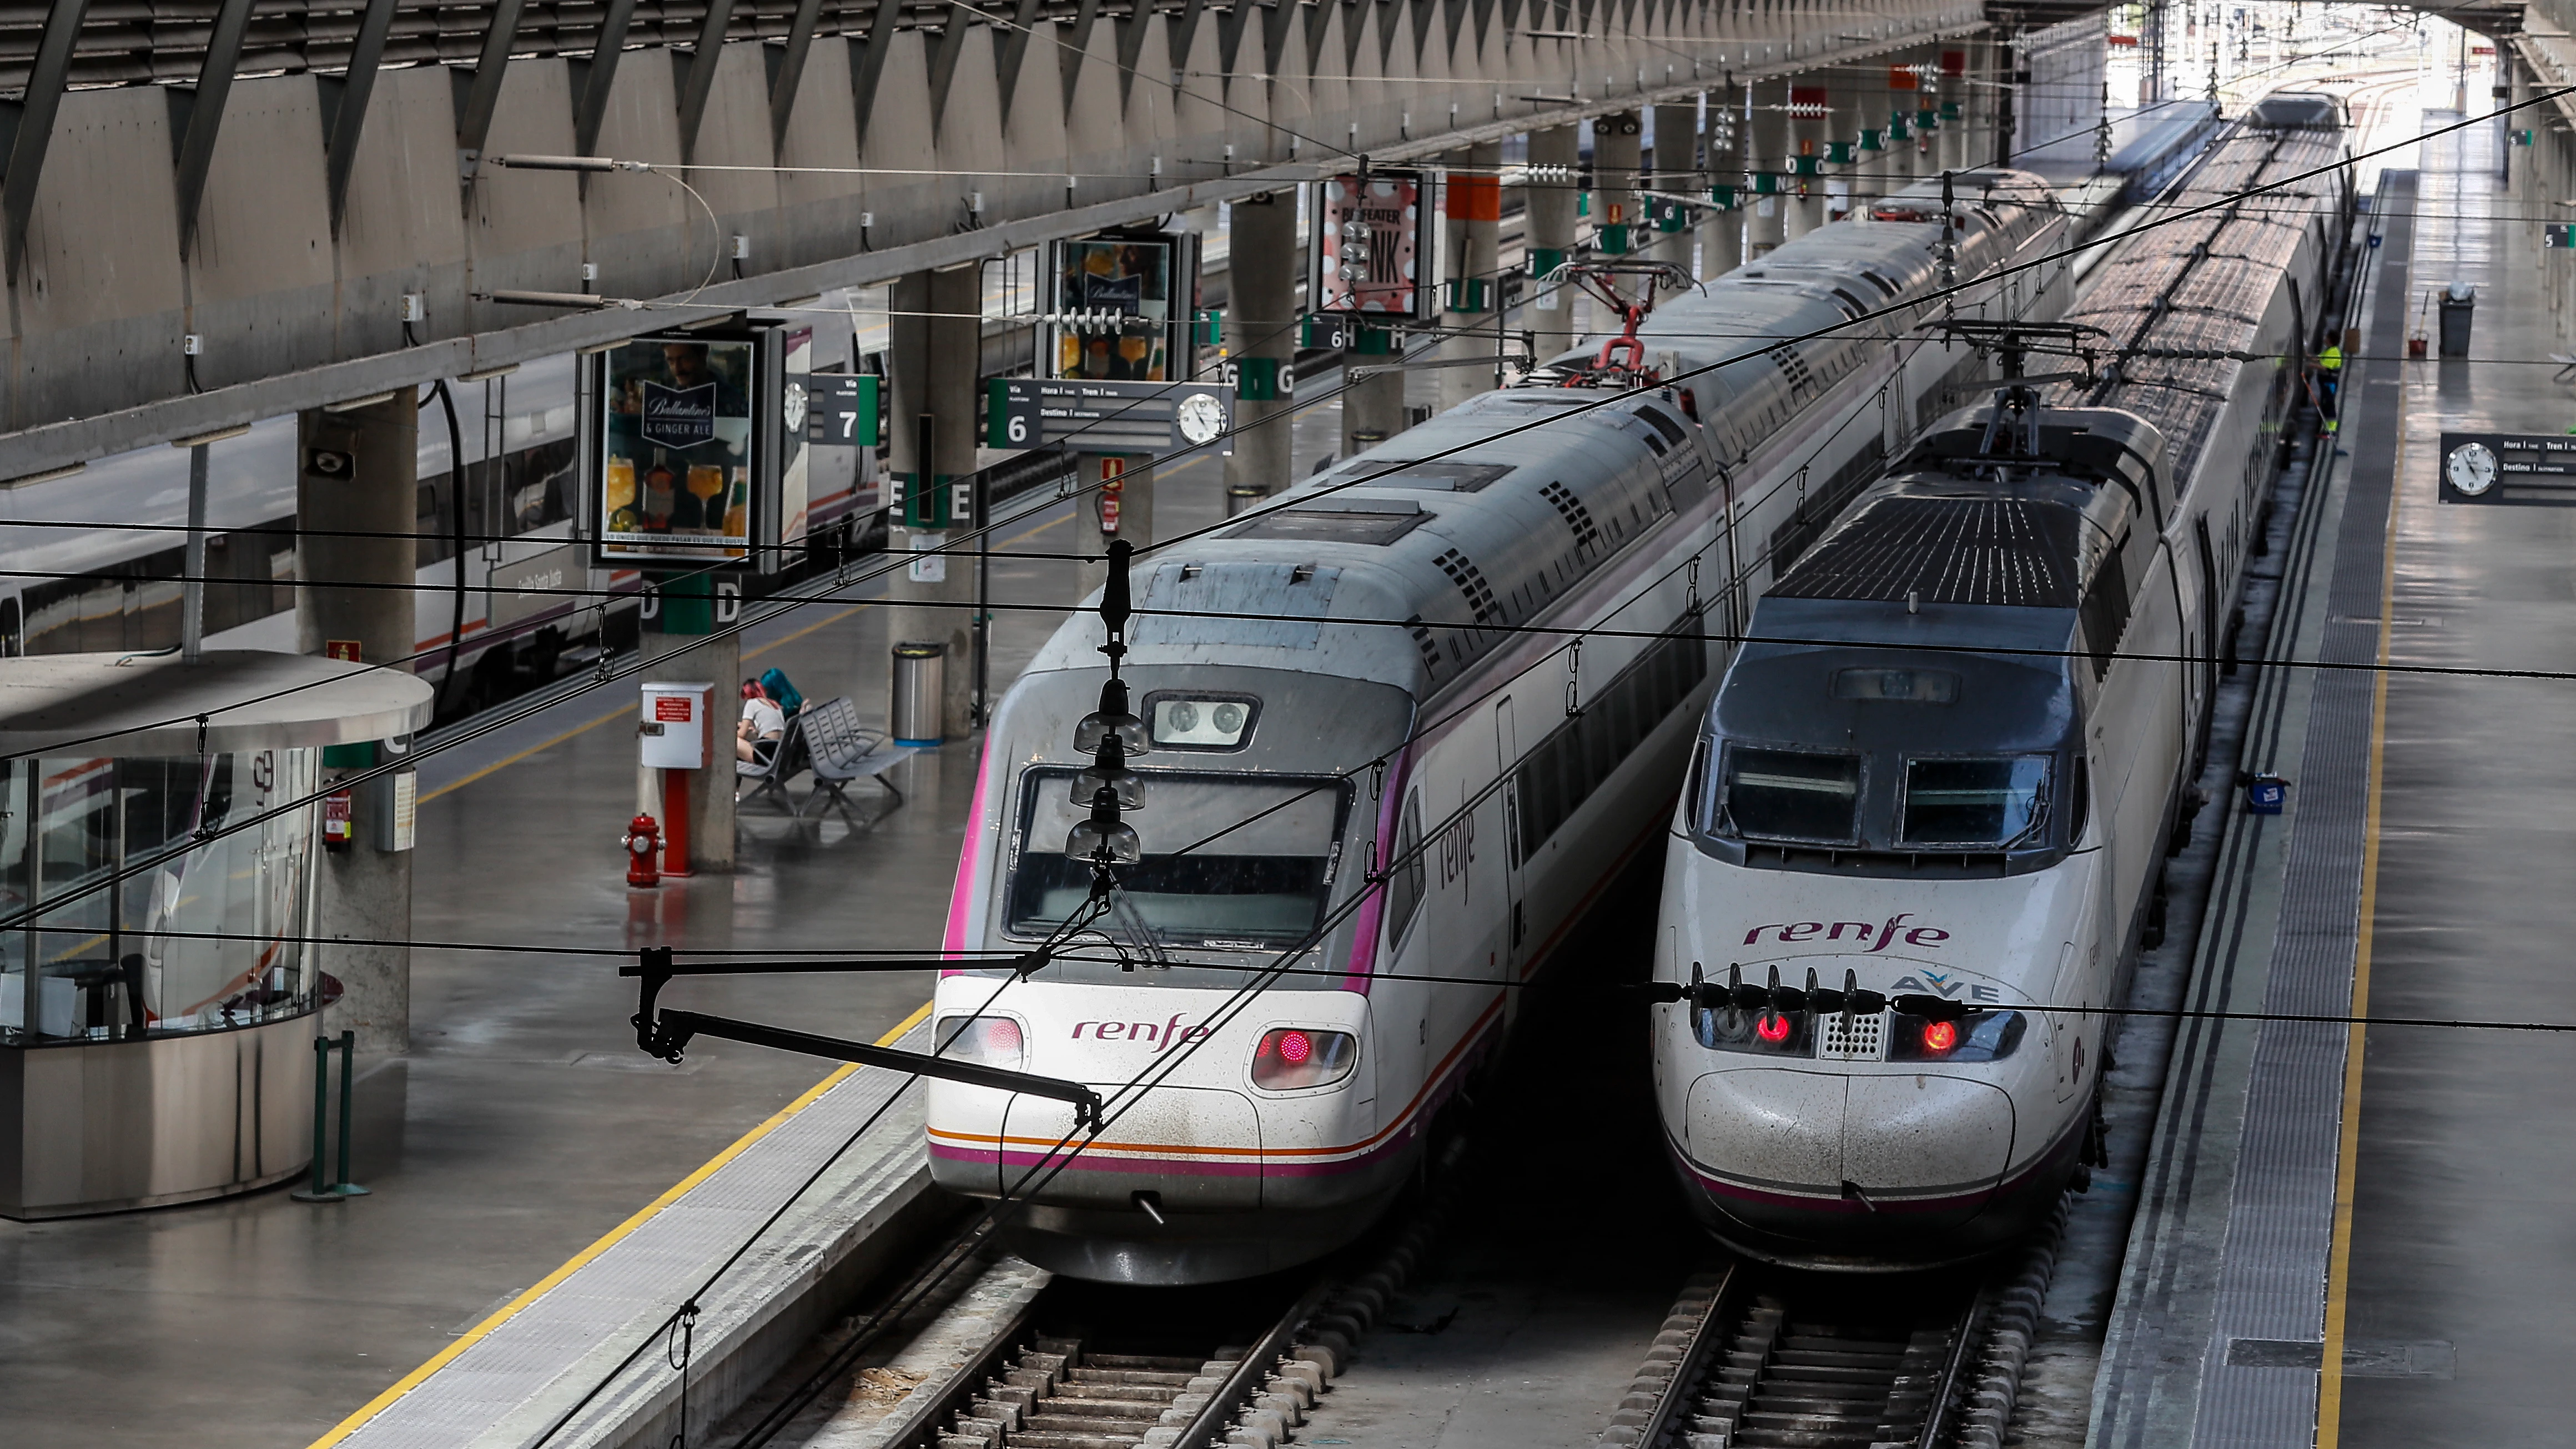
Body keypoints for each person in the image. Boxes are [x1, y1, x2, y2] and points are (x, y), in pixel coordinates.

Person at [738, 680, 786, 764]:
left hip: (766, 753)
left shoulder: (751, 703)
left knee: (732, 741)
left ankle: (733, 773)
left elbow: (742, 734)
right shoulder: (775, 705)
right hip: (779, 750)